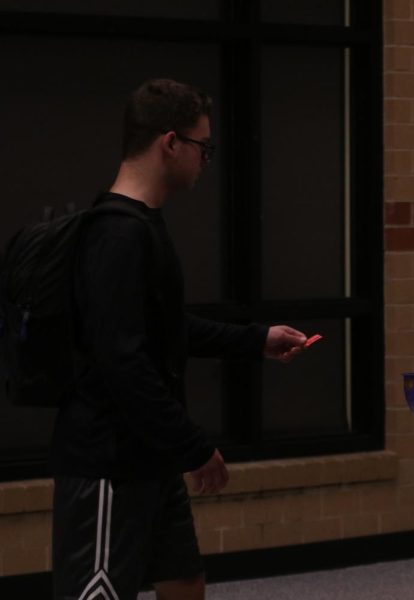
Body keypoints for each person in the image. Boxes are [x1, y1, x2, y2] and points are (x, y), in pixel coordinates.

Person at [51, 79, 309, 600]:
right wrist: (192, 446)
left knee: (184, 582)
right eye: (202, 146)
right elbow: (123, 361)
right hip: (109, 463)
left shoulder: (144, 226)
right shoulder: (116, 234)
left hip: (150, 456)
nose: (205, 160)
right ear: (171, 143)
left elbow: (165, 330)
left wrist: (255, 339)